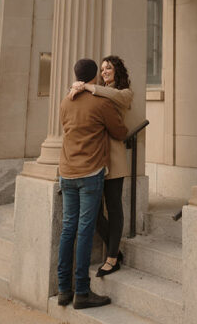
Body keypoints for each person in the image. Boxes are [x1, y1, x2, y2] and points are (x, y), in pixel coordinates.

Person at [57, 57, 128, 310]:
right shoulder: (100, 103)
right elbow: (120, 132)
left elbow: (67, 128)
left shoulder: (66, 101)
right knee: (84, 230)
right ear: (94, 78)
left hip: (66, 172)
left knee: (68, 230)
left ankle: (64, 289)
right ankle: (82, 292)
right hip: (90, 173)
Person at [70, 54, 134, 277]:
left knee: (114, 207)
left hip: (114, 158)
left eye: (110, 68)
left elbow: (114, 96)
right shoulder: (95, 92)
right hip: (94, 157)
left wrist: (86, 87)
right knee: (94, 212)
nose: (105, 71)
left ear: (118, 71)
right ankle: (115, 247)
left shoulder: (123, 94)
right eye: (103, 68)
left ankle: (112, 258)